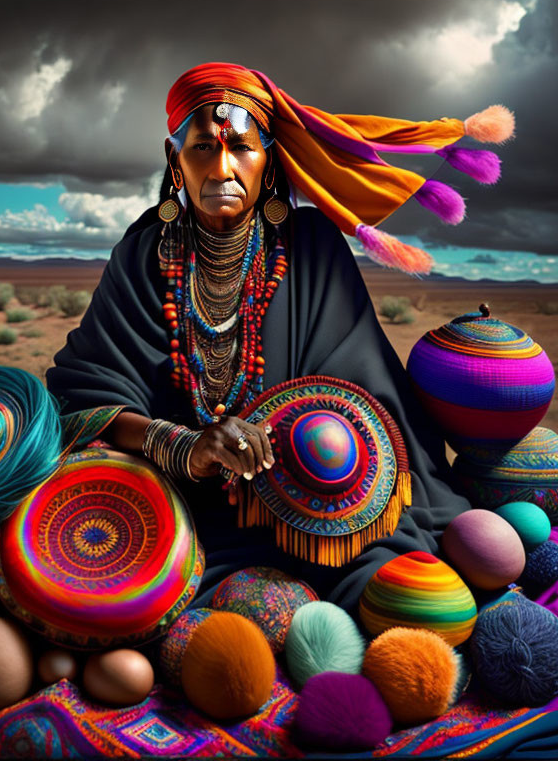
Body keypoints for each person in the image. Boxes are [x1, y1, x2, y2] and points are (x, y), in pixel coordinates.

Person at [45, 62, 512, 612]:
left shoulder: (312, 248)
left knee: (402, 595)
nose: (221, 168)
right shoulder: (142, 255)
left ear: (268, 161)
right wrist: (186, 445)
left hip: (314, 502)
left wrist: (304, 450)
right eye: (201, 149)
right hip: (177, 507)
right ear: (175, 161)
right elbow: (84, 399)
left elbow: (364, 392)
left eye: (241, 148)